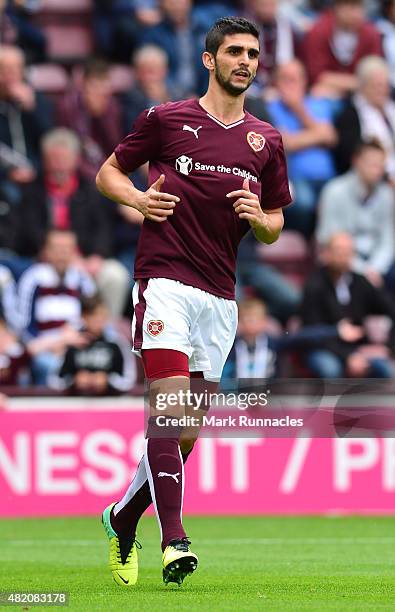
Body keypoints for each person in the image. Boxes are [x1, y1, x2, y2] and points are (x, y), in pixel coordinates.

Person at [96, 16, 291, 587]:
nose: (245, 62)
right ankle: (174, 539)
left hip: (219, 295)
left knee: (186, 430)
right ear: (210, 60)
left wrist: (261, 221)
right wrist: (136, 199)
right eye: (234, 51)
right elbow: (109, 172)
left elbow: (276, 221)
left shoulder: (266, 139)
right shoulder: (166, 119)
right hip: (164, 278)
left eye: (253, 53)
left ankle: (123, 514)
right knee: (169, 409)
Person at [16, 128, 130, 317]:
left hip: (85, 259)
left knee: (115, 276)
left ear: (76, 159)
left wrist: (97, 256)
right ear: (44, 160)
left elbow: (103, 228)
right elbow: (28, 230)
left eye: (63, 159)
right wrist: (56, 255)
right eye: (53, 159)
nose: (58, 166)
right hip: (44, 259)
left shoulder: (91, 190)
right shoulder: (32, 192)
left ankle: (106, 333)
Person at [301, 232, 395, 378]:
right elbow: (312, 331)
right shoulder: (314, 285)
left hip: (357, 348)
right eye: (339, 250)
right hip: (322, 347)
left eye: (348, 251)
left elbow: (390, 307)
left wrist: (388, 347)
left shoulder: (360, 282)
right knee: (330, 369)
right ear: (326, 253)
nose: (344, 256)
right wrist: (348, 356)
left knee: (386, 370)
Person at [17, 229, 97, 385]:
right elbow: (22, 323)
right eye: (57, 249)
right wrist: (53, 343)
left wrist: (72, 339)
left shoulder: (82, 279)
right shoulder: (33, 278)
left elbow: (92, 316)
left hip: (76, 344)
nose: (62, 254)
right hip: (43, 347)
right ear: (46, 251)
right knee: (49, 366)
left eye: (67, 249)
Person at [267, 59, 337, 235]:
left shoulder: (318, 103)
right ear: (276, 83)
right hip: (296, 179)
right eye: (286, 79)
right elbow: (284, 143)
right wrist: (317, 135)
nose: (291, 85)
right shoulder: (271, 107)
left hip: (328, 178)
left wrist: (298, 108)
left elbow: (331, 137)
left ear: (305, 81)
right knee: (304, 202)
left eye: (295, 79)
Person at [316, 140, 395, 292]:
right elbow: (327, 240)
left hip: (376, 265)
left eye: (380, 165)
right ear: (356, 161)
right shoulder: (334, 191)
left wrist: (375, 269)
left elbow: (387, 241)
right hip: (343, 262)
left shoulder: (386, 194)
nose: (377, 170)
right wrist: (363, 271)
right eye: (372, 164)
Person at [50, 295, 136, 395]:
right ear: (83, 317)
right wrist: (74, 380)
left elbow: (129, 380)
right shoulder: (72, 343)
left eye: (103, 315)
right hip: (74, 403)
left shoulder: (117, 343)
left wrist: (108, 380)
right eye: (94, 316)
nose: (99, 320)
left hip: (110, 403)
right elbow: (54, 380)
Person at [57, 59, 124, 181]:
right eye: (95, 86)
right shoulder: (67, 106)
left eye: (104, 87)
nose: (99, 92)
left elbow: (115, 145)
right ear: (83, 84)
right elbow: (70, 147)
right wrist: (96, 175)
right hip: (79, 169)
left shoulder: (112, 107)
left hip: (107, 168)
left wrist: (102, 116)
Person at [303, 0, 382, 97]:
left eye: (359, 7)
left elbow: (375, 73)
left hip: (362, 93)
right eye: (351, 7)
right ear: (337, 8)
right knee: (318, 94)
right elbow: (317, 76)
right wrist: (359, 83)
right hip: (328, 93)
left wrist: (356, 85)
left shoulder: (371, 33)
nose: (356, 14)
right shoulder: (319, 31)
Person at [334, 56, 395, 180]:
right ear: (363, 86)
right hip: (373, 178)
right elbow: (350, 156)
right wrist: (387, 176)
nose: (382, 90)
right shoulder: (350, 116)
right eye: (376, 85)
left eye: (385, 85)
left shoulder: (391, 107)